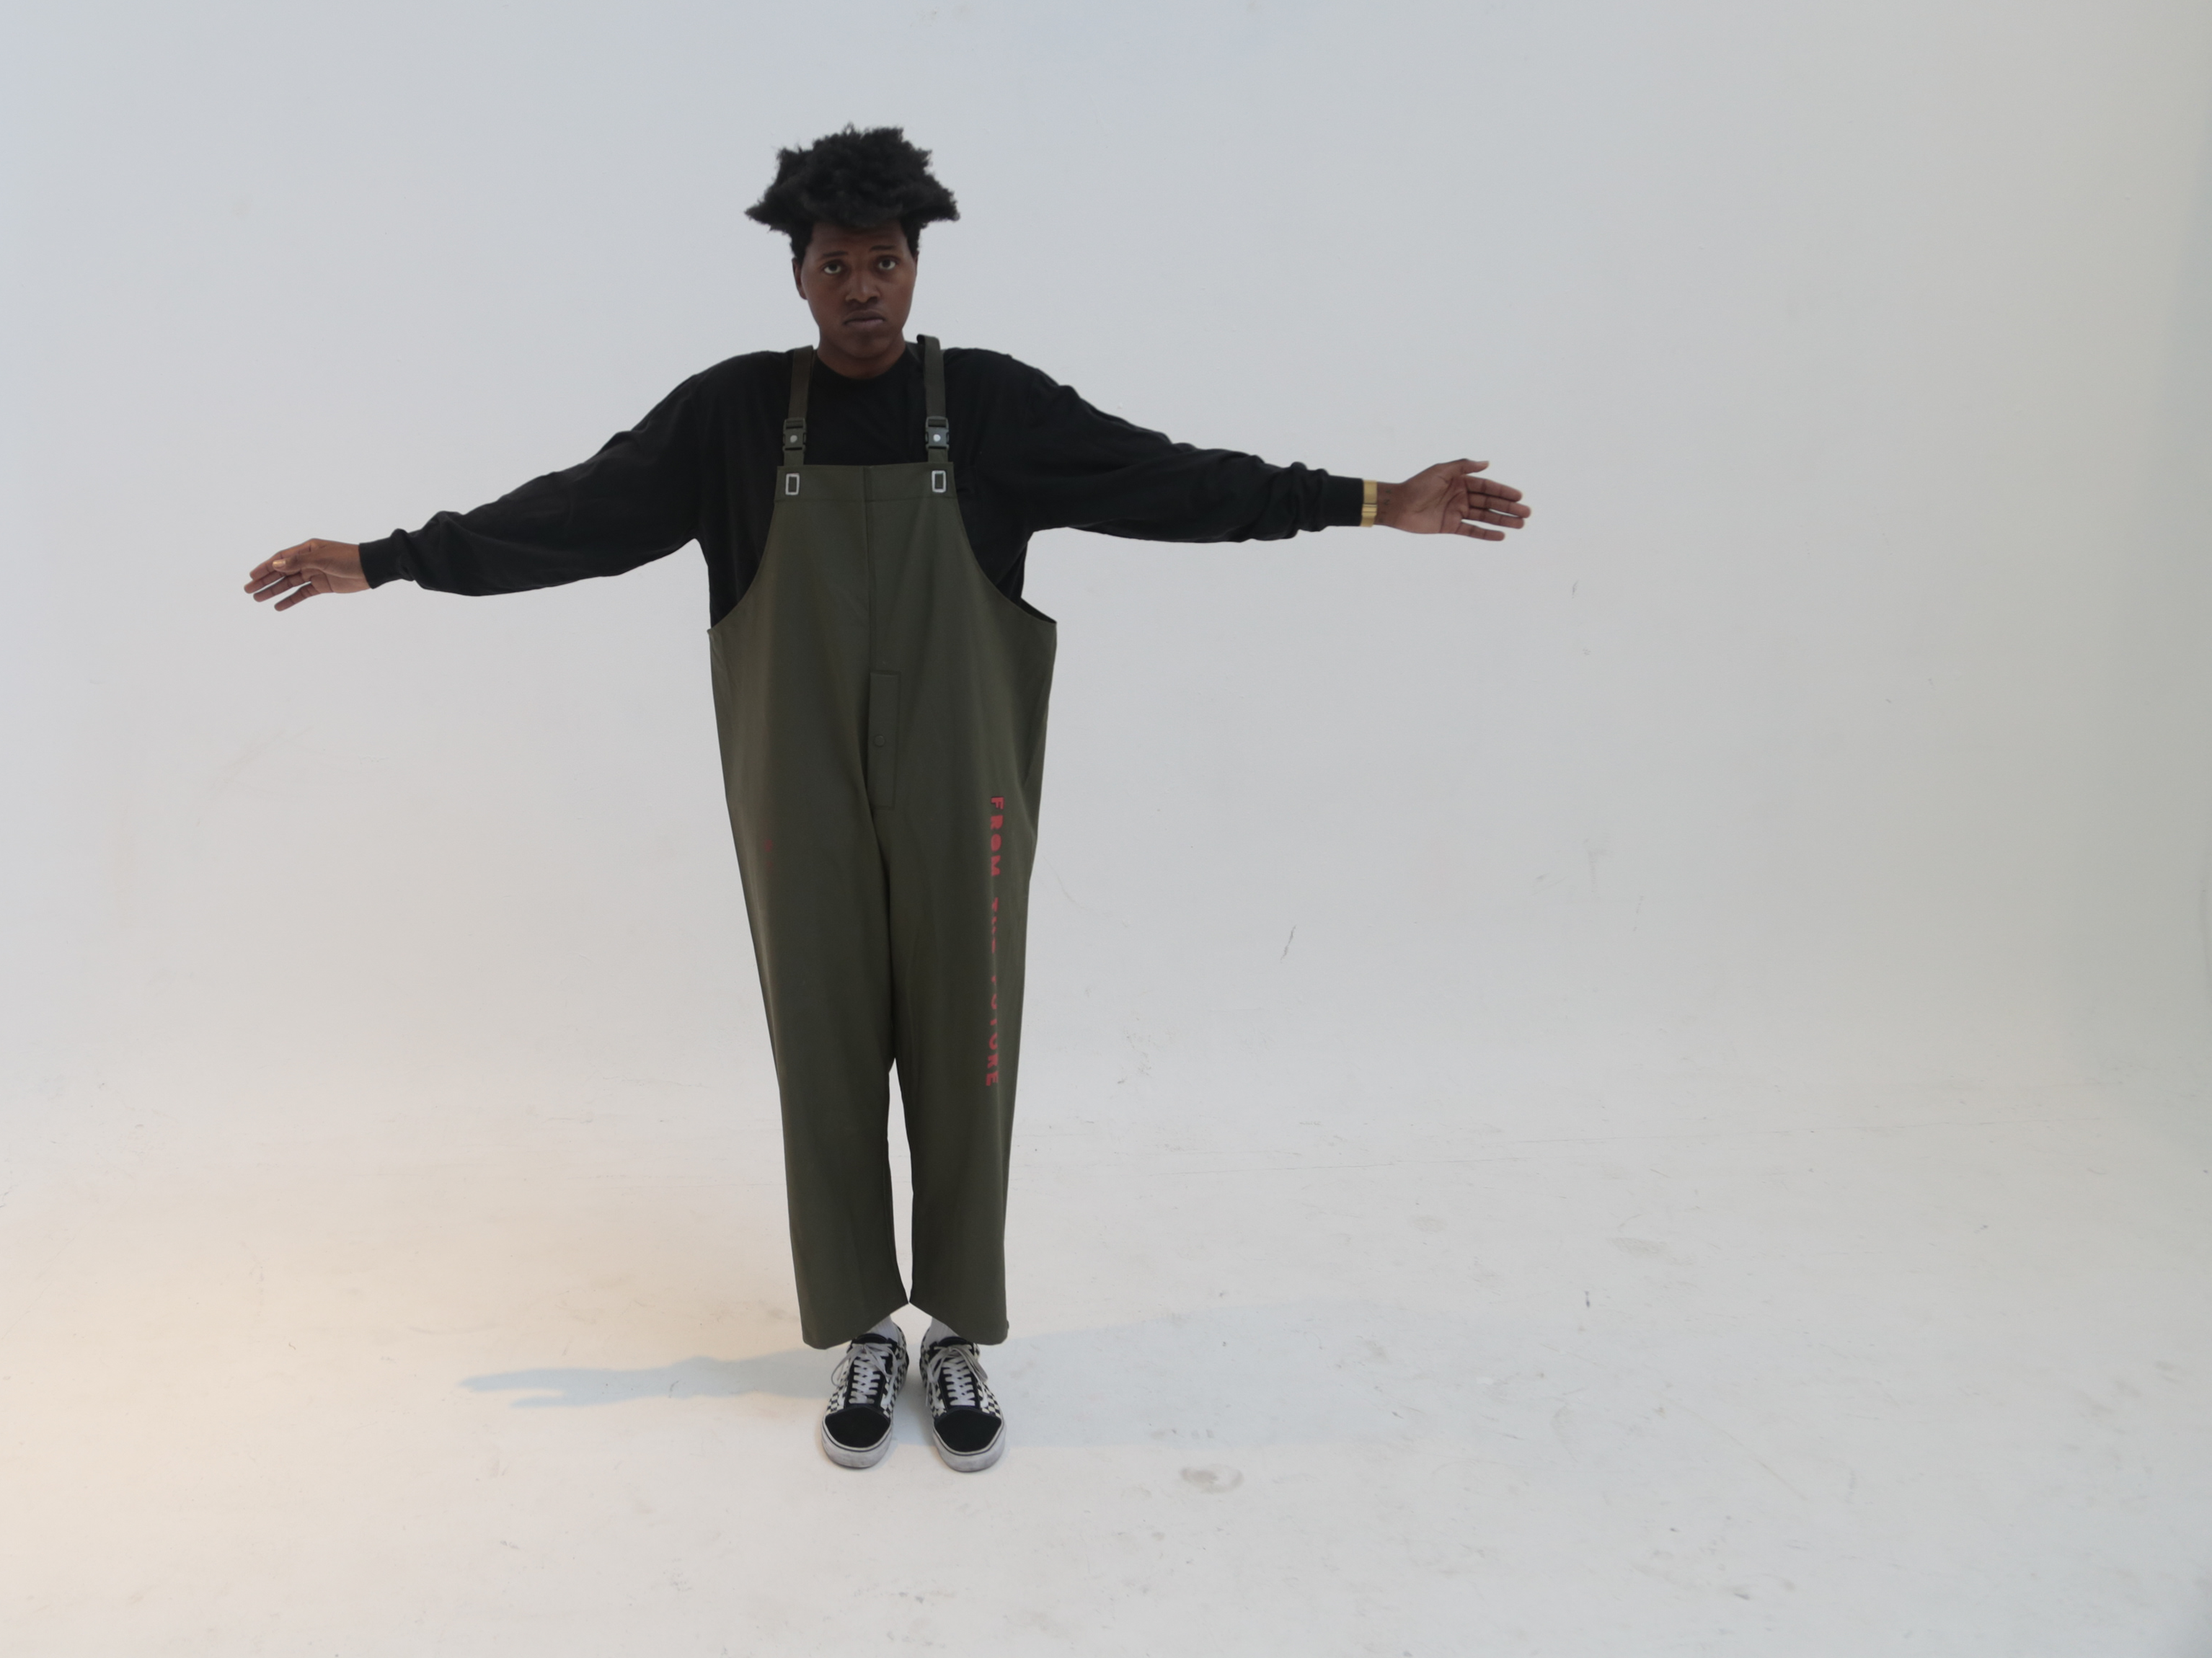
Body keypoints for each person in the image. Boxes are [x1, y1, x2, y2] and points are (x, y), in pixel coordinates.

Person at [244, 126, 1529, 1473]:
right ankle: (864, 1326)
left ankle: (957, 1332)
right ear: (797, 275)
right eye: (836, 265)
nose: (863, 289)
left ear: (917, 268)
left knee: (972, 1043)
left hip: (962, 782)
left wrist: (1376, 501)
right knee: (826, 1049)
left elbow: (1175, 481)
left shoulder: (992, 409)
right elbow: (575, 514)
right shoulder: (735, 418)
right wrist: (393, 559)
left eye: (886, 263)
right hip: (795, 785)